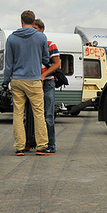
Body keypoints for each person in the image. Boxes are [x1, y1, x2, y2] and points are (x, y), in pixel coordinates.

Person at [2, 10, 52, 156]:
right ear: (34, 22)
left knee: (18, 113)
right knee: (38, 113)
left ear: (21, 21)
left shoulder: (11, 38)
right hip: (34, 79)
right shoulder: (41, 37)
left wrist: (6, 82)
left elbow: (9, 64)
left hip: (17, 80)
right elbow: (45, 59)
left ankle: (19, 147)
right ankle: (42, 146)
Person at [32, 19, 60, 153]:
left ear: (42, 30)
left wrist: (44, 75)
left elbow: (57, 64)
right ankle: (31, 142)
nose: (33, 32)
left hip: (48, 82)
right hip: (32, 82)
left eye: (36, 29)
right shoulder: (30, 46)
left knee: (48, 114)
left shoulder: (50, 45)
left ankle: (51, 144)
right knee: (32, 115)